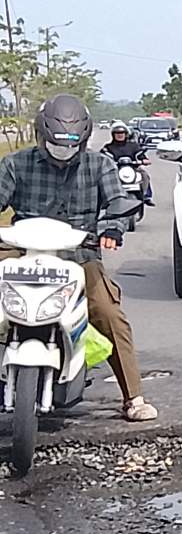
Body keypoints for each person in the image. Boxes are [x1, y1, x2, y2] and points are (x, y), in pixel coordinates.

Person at [0, 96, 157, 421]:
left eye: (70, 146)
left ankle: (133, 397)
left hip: (79, 253)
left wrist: (112, 228)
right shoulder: (15, 164)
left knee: (107, 312)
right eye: (56, 145)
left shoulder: (100, 165)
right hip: (23, 250)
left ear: (83, 139)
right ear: (42, 136)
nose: (63, 152)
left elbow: (118, 202)